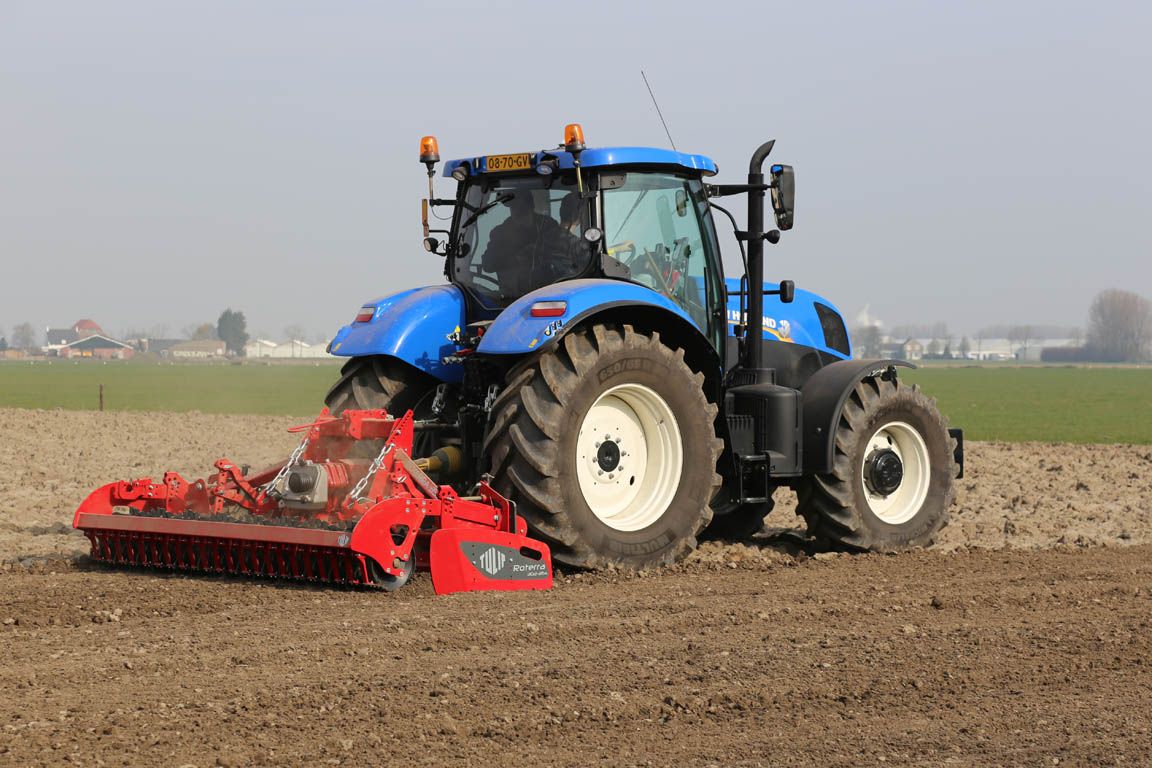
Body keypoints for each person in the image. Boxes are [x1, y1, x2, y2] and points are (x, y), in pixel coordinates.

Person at [481, 189, 585, 297]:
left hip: (547, 292)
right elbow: (488, 265)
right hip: (512, 296)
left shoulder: (547, 225)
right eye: (514, 208)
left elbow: (559, 250)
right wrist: (514, 258)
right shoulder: (501, 233)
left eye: (522, 209)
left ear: (531, 207)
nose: (518, 212)